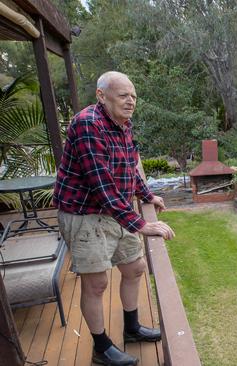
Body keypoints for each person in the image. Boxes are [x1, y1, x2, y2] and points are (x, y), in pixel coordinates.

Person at [54, 71, 175, 366]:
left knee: (134, 268)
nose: (130, 101)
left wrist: (147, 195)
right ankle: (101, 348)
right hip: (85, 214)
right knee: (96, 284)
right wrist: (142, 224)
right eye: (123, 95)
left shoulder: (123, 124)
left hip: (114, 210)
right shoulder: (87, 125)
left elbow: (130, 167)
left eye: (133, 95)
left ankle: (131, 328)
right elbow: (102, 186)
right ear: (101, 96)